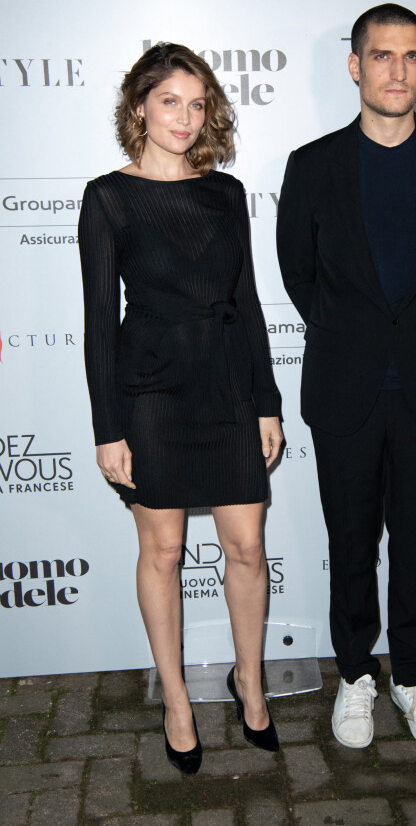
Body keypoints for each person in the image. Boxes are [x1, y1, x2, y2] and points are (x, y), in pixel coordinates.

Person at [277, 4, 416, 750]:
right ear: (355, 66)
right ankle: (355, 677)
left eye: (411, 56)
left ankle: (411, 675)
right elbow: (298, 274)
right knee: (351, 544)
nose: (397, 70)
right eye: (382, 55)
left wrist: (413, 331)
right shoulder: (312, 165)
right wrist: (358, 333)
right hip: (345, 387)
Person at [78, 43, 283, 773]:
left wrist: (267, 402)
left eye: (198, 104)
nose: (185, 118)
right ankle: (175, 700)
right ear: (140, 105)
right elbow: (100, 321)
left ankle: (251, 683)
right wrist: (109, 429)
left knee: (248, 549)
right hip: (152, 393)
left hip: (228, 389)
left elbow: (249, 304)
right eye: (171, 101)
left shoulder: (225, 195)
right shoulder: (108, 197)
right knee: (161, 552)